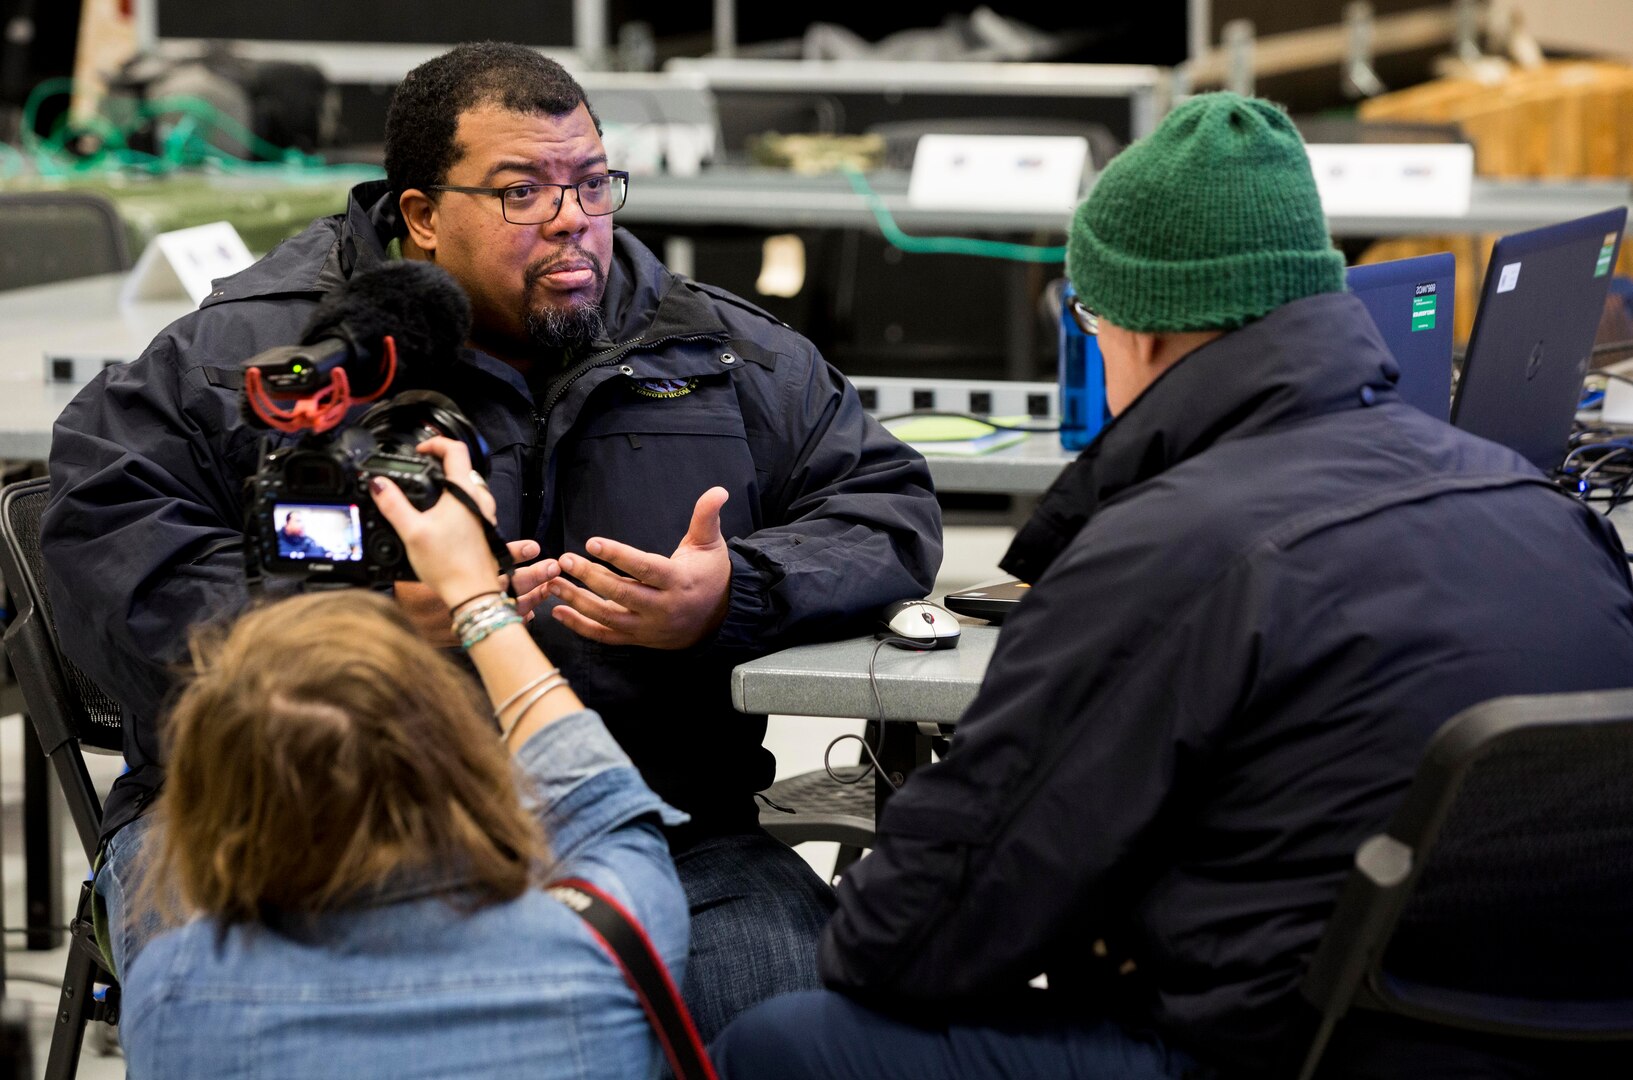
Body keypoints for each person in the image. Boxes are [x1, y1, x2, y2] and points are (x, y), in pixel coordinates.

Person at [710, 93, 1633, 1078]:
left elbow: (912, 941)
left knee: (783, 1043)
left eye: (1088, 319)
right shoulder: (1543, 508)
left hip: (1302, 1056)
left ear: (1139, 331)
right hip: (1564, 1047)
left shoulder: (1164, 551)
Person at [42, 41, 941, 1037]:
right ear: (421, 215)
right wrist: (357, 624)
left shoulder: (714, 353)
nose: (573, 218)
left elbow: (886, 503)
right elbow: (103, 542)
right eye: (522, 191)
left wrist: (736, 593)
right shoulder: (263, 357)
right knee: (275, 1024)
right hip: (284, 823)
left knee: (792, 1032)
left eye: (593, 183)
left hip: (654, 826)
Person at [121, 436, 689, 1079]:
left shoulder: (172, 993)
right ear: (456, 755)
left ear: (213, 793)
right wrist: (475, 597)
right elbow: (596, 794)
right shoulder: (613, 941)